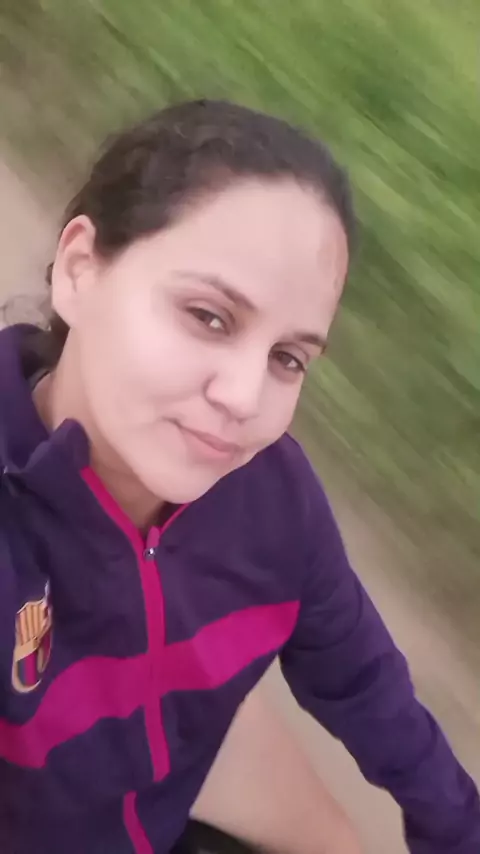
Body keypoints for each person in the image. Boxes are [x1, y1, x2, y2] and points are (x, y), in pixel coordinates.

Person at [0, 99, 478, 854]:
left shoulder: (274, 500)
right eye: (210, 316)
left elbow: (365, 684)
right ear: (80, 270)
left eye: (288, 358)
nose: (244, 398)